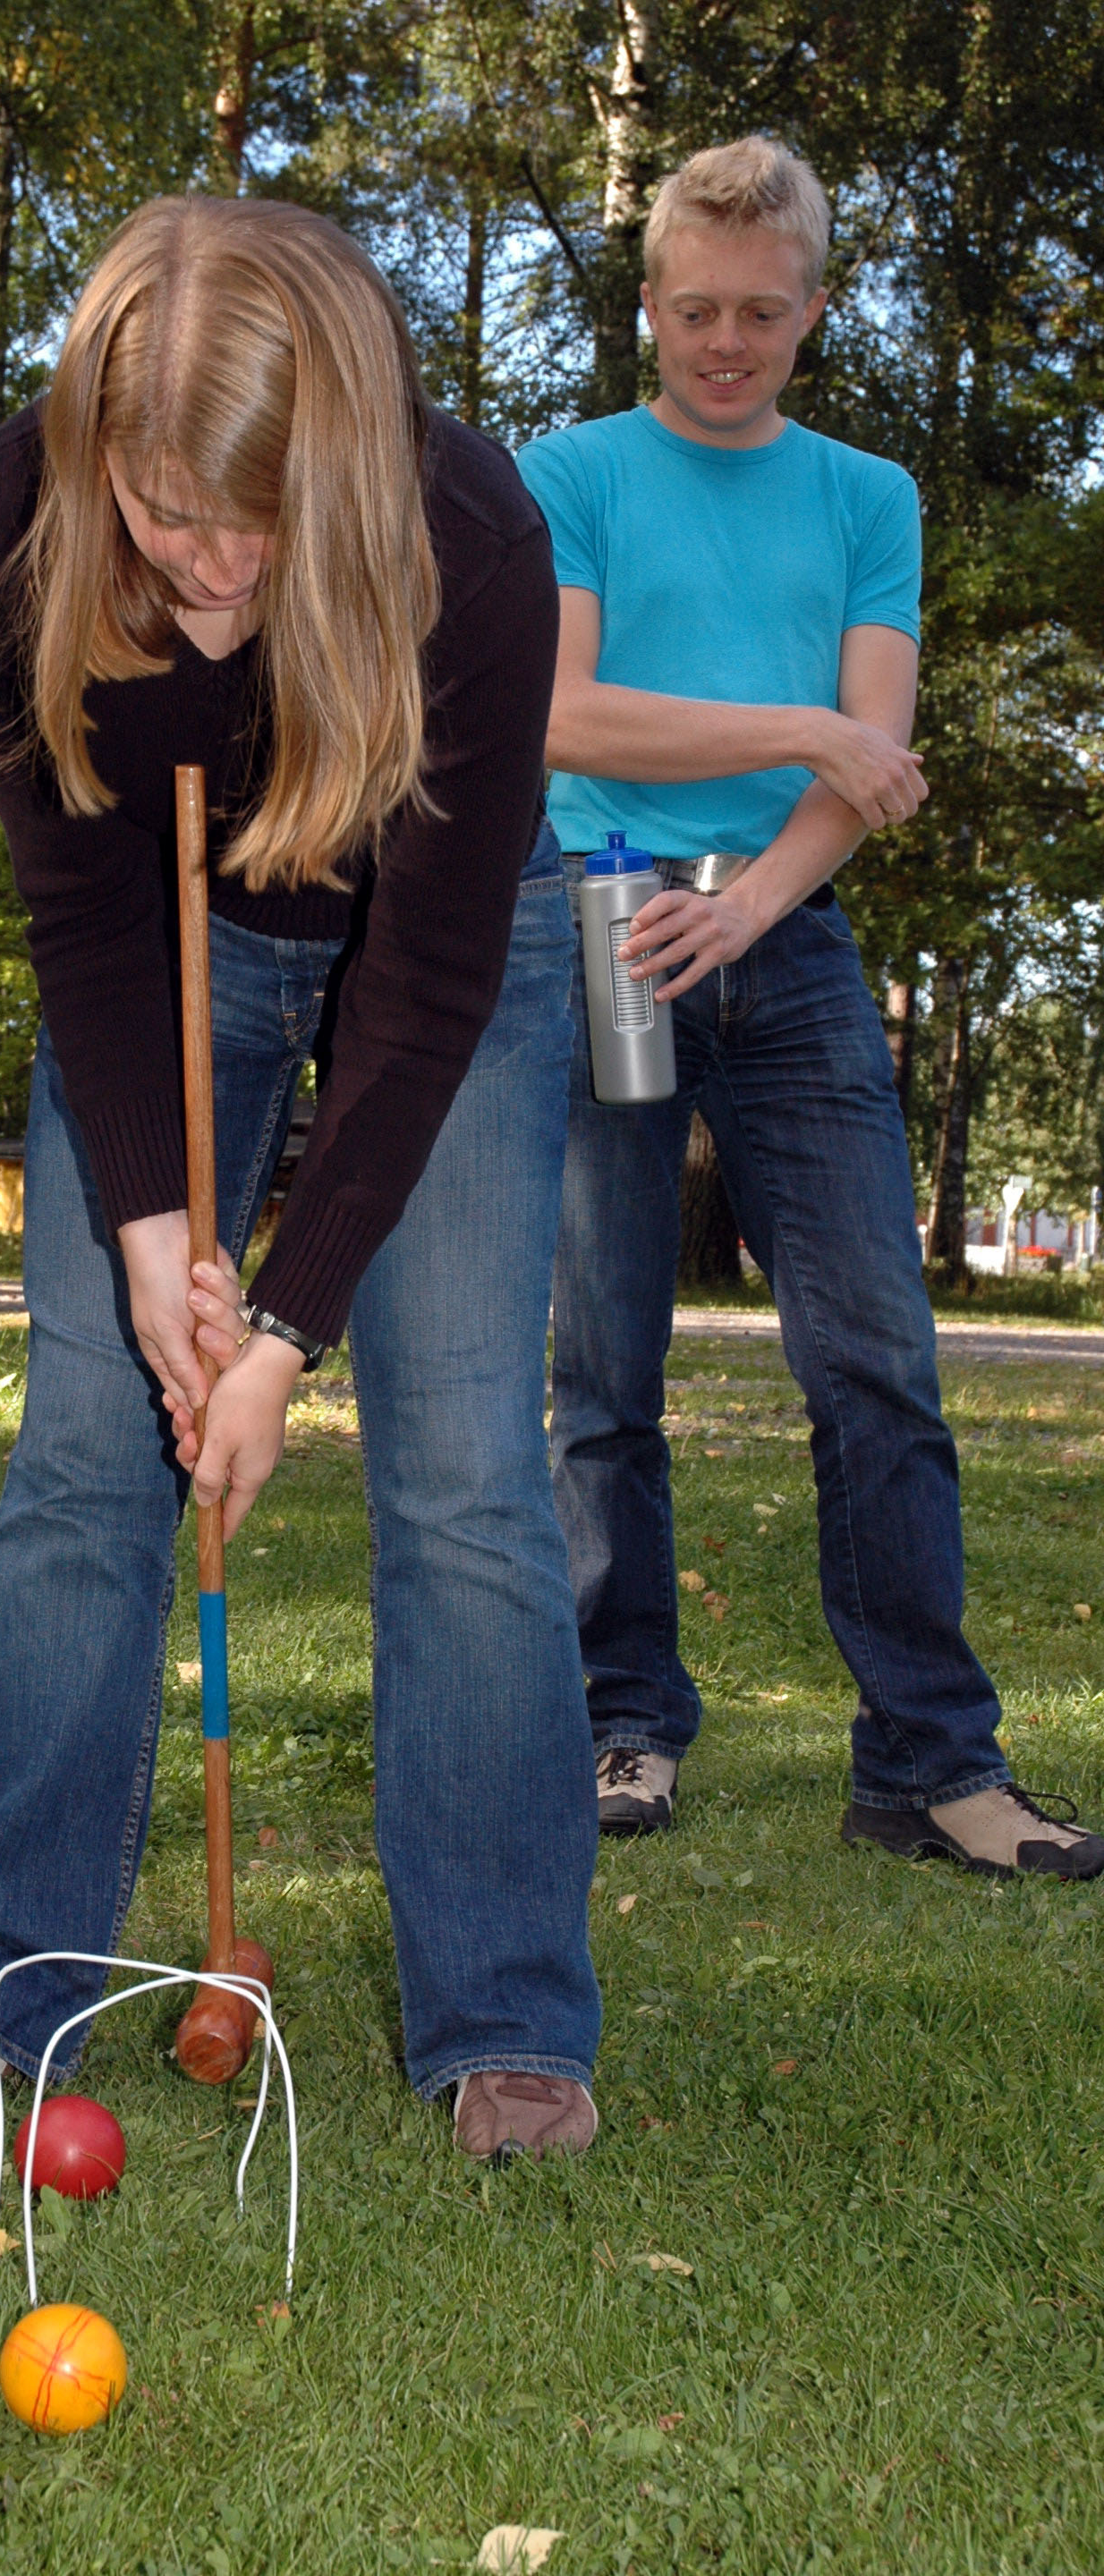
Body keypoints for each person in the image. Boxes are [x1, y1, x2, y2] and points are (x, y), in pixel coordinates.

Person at [0, 194, 605, 2164]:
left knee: (463, 1473)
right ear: (95, 452)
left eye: (259, 524)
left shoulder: (470, 542)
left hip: (455, 961)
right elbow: (85, 918)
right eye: (170, 514)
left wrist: (280, 1335)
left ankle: (508, 2012)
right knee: (85, 1456)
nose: (210, 568)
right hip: (168, 952)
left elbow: (424, 990)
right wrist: (154, 1243)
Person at [520, 137, 1103, 1881]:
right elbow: (560, 716)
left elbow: (879, 757)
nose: (726, 342)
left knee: (878, 1364)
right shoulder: (569, 472)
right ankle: (621, 1722)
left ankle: (930, 1766)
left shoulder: (866, 496)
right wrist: (794, 731)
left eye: (761, 314)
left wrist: (754, 904)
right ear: (649, 304)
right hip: (602, 915)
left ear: (813, 310)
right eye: (695, 310)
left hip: (785, 940)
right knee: (601, 1368)